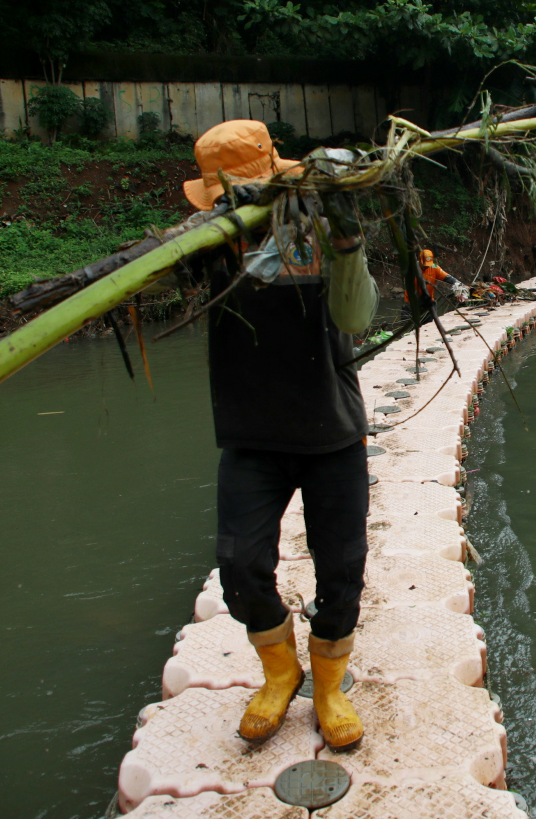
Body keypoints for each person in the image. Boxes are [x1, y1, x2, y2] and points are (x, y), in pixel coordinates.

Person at [182, 119, 378, 751]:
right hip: (251, 433)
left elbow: (357, 317)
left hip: (332, 432)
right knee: (239, 566)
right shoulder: (209, 241)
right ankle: (279, 672)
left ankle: (327, 687)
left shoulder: (319, 227)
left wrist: (348, 246)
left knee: (342, 569)